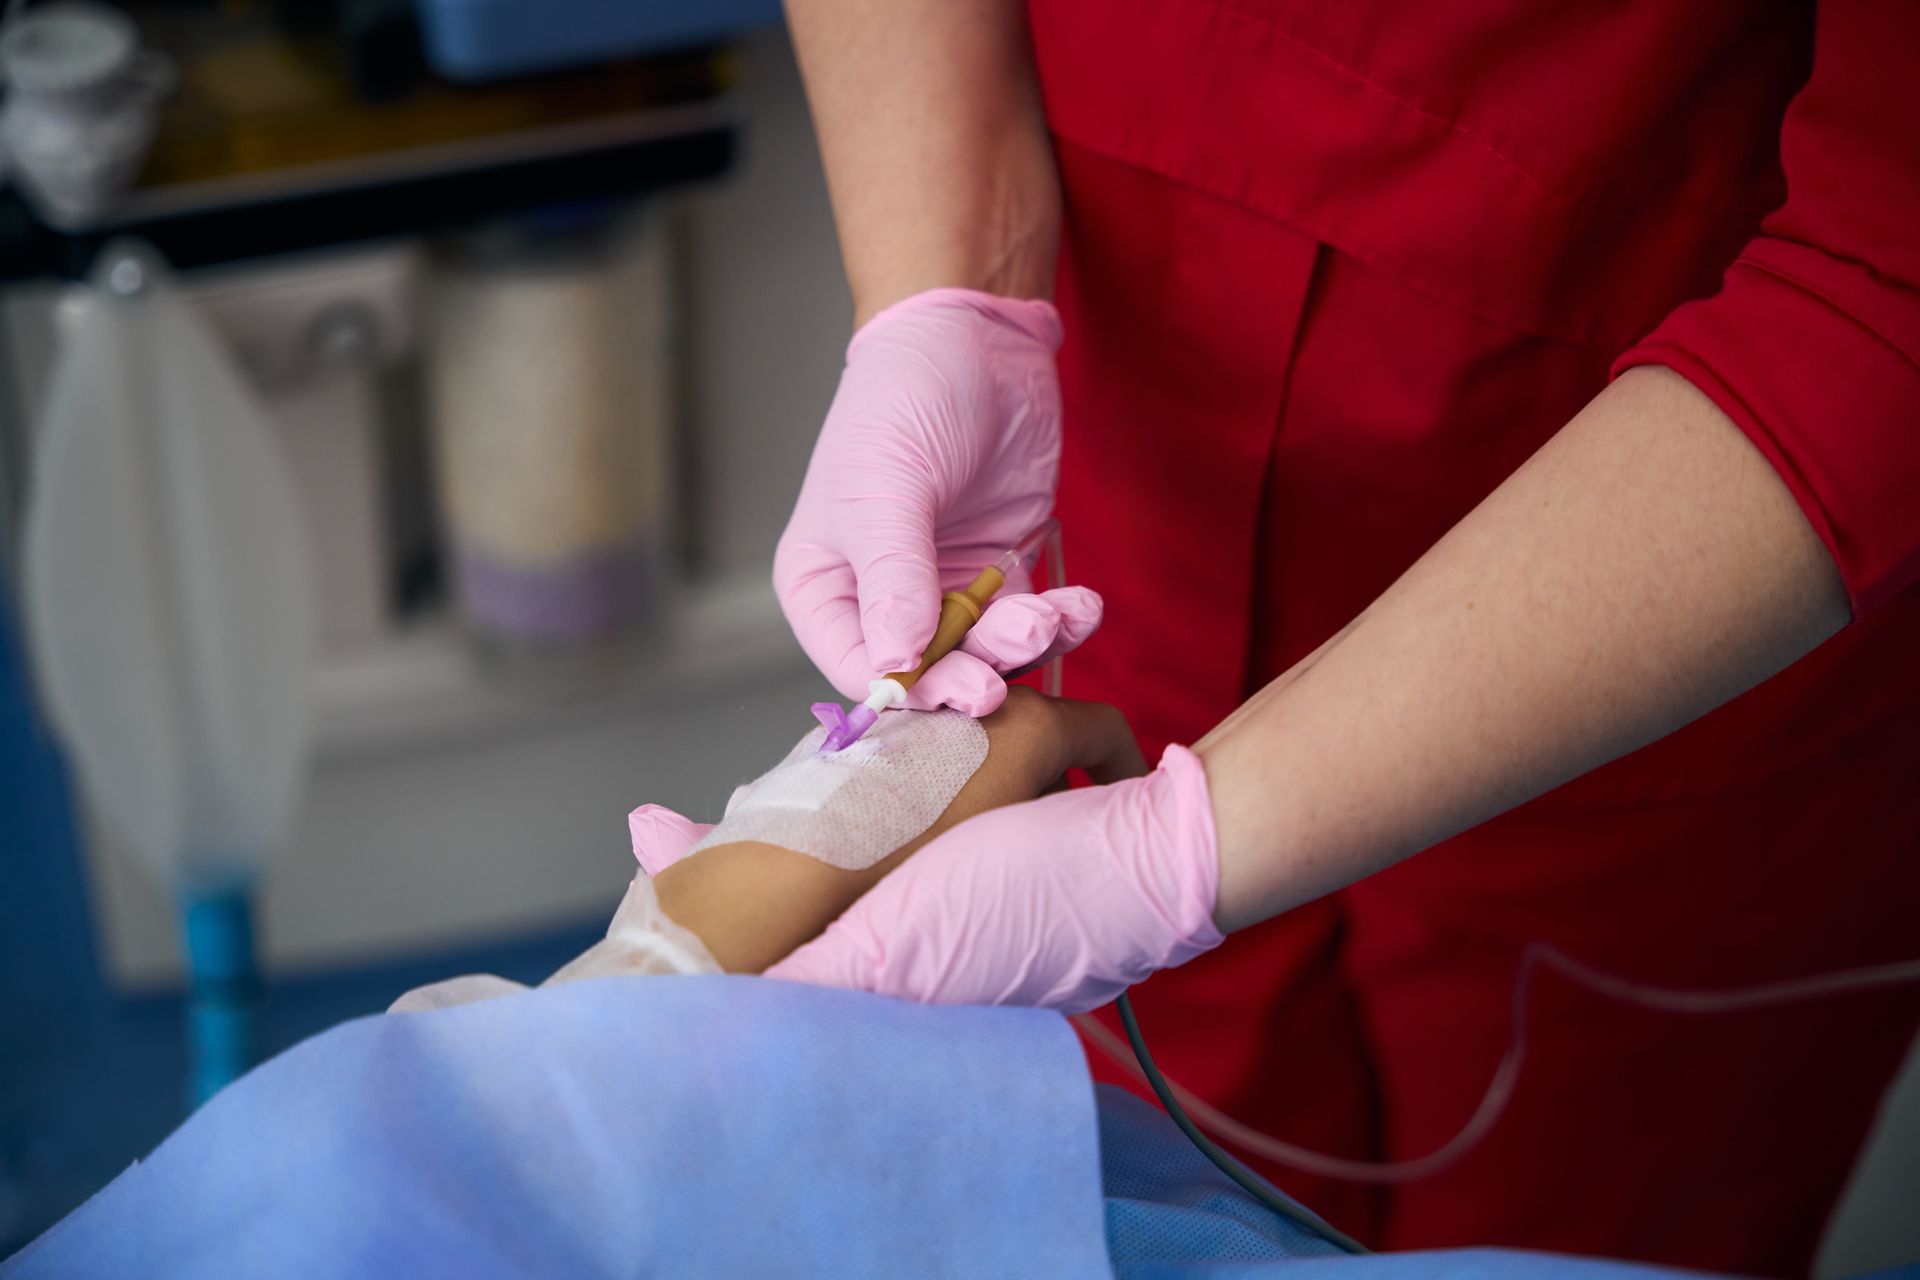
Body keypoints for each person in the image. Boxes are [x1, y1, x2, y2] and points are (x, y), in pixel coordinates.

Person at [756, 1, 1920, 1274]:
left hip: (1660, 638)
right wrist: (953, 285)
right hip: (1133, 504)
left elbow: (1890, 280)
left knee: (1578, 1198)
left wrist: (1162, 858)